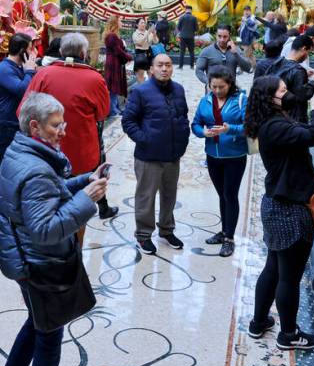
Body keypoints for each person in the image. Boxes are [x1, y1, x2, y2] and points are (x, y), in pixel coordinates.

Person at [0, 93, 108, 366]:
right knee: (48, 339)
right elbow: (45, 228)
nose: (63, 131)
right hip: (40, 264)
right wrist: (86, 200)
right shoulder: (36, 169)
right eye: (56, 125)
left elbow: (48, 194)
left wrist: (83, 181)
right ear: (35, 127)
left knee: (37, 324)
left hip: (24, 257)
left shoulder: (21, 149)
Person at [244, 77, 314, 351]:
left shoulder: (274, 120)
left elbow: (302, 126)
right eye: (282, 90)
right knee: (289, 277)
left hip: (276, 205)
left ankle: (259, 323)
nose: (287, 92)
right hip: (290, 210)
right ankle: (289, 335)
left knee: (273, 267)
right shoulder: (275, 127)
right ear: (270, 98)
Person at [23, 32, 119, 220]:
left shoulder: (44, 74)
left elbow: (23, 113)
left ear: (60, 51)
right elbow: (103, 114)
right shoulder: (94, 78)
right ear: (83, 53)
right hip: (82, 153)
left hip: (45, 152)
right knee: (77, 208)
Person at [121, 53, 190, 255]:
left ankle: (166, 230)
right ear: (151, 69)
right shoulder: (140, 92)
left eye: (168, 65)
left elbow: (183, 115)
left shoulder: (178, 89)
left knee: (169, 196)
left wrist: (183, 137)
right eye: (160, 65)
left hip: (172, 154)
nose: (164, 69)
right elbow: (128, 121)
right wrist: (145, 139)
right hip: (148, 156)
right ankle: (143, 235)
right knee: (146, 196)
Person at [191, 69, 247, 257]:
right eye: (213, 86)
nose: (216, 90)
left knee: (230, 195)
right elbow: (196, 124)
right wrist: (203, 132)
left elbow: (250, 127)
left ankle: (229, 238)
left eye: (221, 87)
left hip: (234, 156)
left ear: (230, 84)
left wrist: (229, 129)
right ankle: (224, 231)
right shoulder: (205, 100)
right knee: (222, 195)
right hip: (212, 156)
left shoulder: (240, 100)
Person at [0, 33, 38, 220]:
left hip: (16, 123)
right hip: (6, 124)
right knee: (1, 164)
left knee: (15, 165)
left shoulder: (18, 67)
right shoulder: (4, 69)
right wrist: (30, 71)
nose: (33, 53)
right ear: (23, 51)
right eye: (31, 49)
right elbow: (22, 90)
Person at [271, 35, 314, 123]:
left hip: (276, 113)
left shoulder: (277, 63)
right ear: (304, 49)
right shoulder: (298, 70)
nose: (307, 56)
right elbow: (302, 95)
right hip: (294, 117)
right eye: (308, 52)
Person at [103, 16, 133, 118]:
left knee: (113, 87)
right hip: (113, 63)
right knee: (113, 87)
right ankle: (112, 111)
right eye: (120, 21)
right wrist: (129, 57)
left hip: (113, 62)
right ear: (115, 23)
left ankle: (115, 108)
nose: (121, 22)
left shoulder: (112, 35)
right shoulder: (112, 36)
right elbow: (118, 51)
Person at [132, 17, 158, 84]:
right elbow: (139, 42)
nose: (143, 24)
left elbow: (156, 41)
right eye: (141, 23)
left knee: (151, 73)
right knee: (140, 74)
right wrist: (148, 33)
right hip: (140, 53)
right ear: (137, 25)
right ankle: (142, 90)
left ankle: (150, 89)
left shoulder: (147, 32)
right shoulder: (135, 34)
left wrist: (154, 34)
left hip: (149, 52)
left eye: (144, 22)